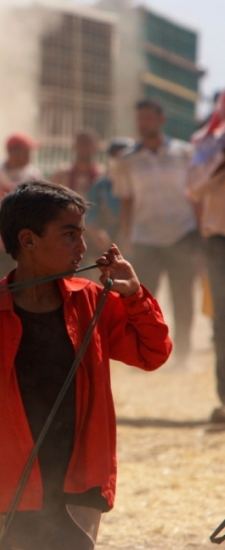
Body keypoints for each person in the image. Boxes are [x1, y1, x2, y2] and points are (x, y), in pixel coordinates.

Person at [0, 181, 171, 550]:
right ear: (28, 241)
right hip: (16, 486)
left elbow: (153, 352)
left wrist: (134, 294)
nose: (82, 247)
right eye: (70, 234)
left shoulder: (91, 299)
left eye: (82, 234)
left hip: (81, 478)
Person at [113, 98, 199, 366]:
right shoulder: (126, 160)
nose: (143, 124)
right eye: (140, 119)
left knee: (182, 296)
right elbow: (126, 200)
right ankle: (145, 353)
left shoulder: (184, 153)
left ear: (161, 120)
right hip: (145, 238)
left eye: (148, 118)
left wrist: (201, 237)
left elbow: (196, 195)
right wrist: (127, 237)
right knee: (143, 299)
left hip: (183, 234)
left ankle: (182, 354)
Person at [188, 93, 225, 422]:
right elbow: (194, 188)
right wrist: (221, 161)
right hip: (220, 243)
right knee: (223, 322)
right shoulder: (206, 144)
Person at [0, 132, 44, 284]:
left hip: (27, 246)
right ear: (12, 152)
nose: (29, 156)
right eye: (26, 151)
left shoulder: (34, 177)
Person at [85, 137, 135, 253]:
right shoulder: (101, 186)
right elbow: (89, 215)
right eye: (116, 156)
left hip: (136, 244)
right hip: (106, 245)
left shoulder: (141, 186)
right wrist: (96, 233)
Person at [50, 129, 103, 198]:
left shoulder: (101, 175)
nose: (84, 147)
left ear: (96, 147)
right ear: (74, 146)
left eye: (87, 143)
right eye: (81, 143)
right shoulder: (62, 174)